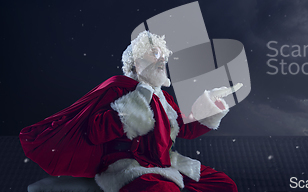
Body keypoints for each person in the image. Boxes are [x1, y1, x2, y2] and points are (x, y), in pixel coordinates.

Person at [20, 31, 238, 192]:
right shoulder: (118, 86)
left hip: (166, 164)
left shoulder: (164, 97)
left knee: (222, 185)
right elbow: (95, 131)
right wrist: (138, 100)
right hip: (129, 167)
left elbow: (182, 127)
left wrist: (209, 106)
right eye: (155, 54)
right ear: (137, 61)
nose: (162, 60)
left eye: (164, 56)